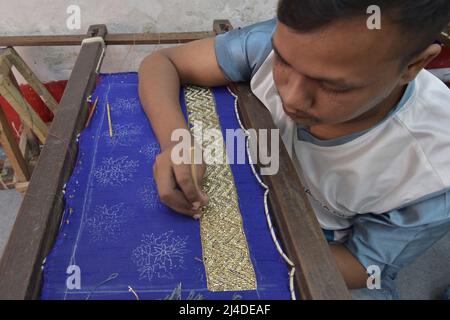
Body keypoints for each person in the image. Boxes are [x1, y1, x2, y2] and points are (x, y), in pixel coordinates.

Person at [138, 0, 450, 298]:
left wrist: (240, 229)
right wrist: (176, 141)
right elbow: (163, 63)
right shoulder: (290, 42)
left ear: (414, 65)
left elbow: (364, 268)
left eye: (333, 86)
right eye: (283, 61)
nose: (292, 98)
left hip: (322, 244)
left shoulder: (433, 172)